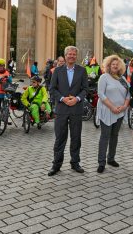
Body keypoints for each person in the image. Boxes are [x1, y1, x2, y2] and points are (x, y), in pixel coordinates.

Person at [48, 46, 89, 176]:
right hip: (62, 109)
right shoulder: (57, 71)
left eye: (73, 54)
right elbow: (52, 89)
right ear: (65, 56)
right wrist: (62, 99)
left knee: (76, 138)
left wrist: (77, 99)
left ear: (76, 56)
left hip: (76, 109)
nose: (71, 56)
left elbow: (85, 89)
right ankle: (56, 165)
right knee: (60, 138)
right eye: (69, 54)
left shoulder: (82, 71)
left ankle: (75, 163)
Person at [96, 55, 130, 173]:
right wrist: (112, 107)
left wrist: (124, 106)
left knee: (114, 135)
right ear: (108, 66)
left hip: (119, 111)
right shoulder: (104, 77)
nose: (115, 66)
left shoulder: (123, 79)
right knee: (105, 136)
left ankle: (111, 158)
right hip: (107, 111)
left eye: (117, 64)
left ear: (120, 66)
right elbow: (101, 94)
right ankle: (101, 162)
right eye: (113, 64)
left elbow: (128, 94)